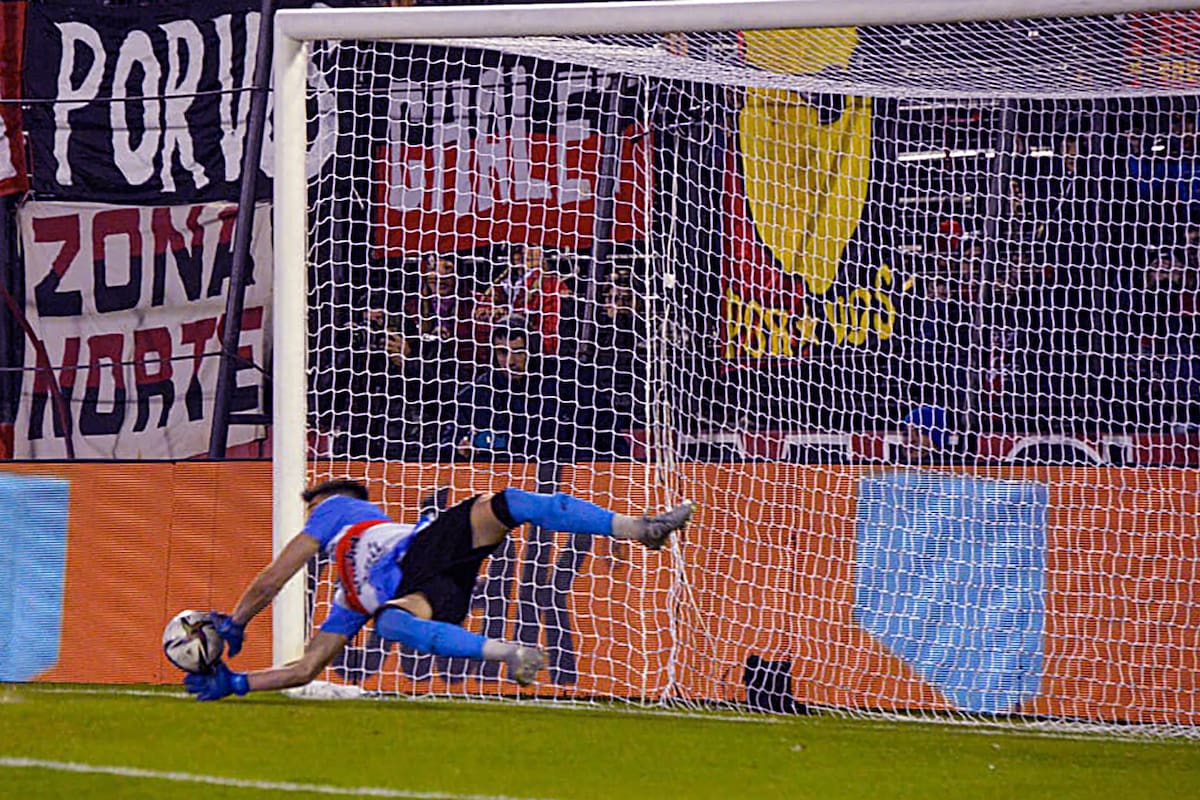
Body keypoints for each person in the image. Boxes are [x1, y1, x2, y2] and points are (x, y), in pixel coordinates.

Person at [184, 478, 694, 700]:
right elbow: (305, 668)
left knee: (508, 503)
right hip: (443, 582)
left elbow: (274, 577)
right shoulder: (349, 603)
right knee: (392, 620)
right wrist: (236, 684)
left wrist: (237, 621)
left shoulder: (346, 515)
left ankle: (639, 528)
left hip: (426, 549)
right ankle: (511, 654)